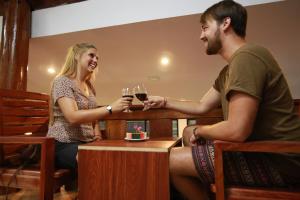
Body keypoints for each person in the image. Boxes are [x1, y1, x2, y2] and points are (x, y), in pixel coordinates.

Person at [144, 1, 300, 199]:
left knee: (166, 161)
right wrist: (164, 102)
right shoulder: (229, 70)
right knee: (187, 131)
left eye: (205, 28)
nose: (201, 36)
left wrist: (202, 131)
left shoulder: (247, 57)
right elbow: (202, 106)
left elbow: (237, 129)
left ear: (225, 23)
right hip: (257, 151)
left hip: (279, 160)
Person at [47, 43, 133, 171]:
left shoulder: (89, 87)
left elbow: (94, 119)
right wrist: (109, 109)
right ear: (76, 56)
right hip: (63, 143)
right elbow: (72, 117)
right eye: (91, 55)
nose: (95, 60)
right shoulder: (62, 81)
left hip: (85, 142)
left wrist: (97, 135)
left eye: (97, 58)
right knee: (97, 159)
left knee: (119, 154)